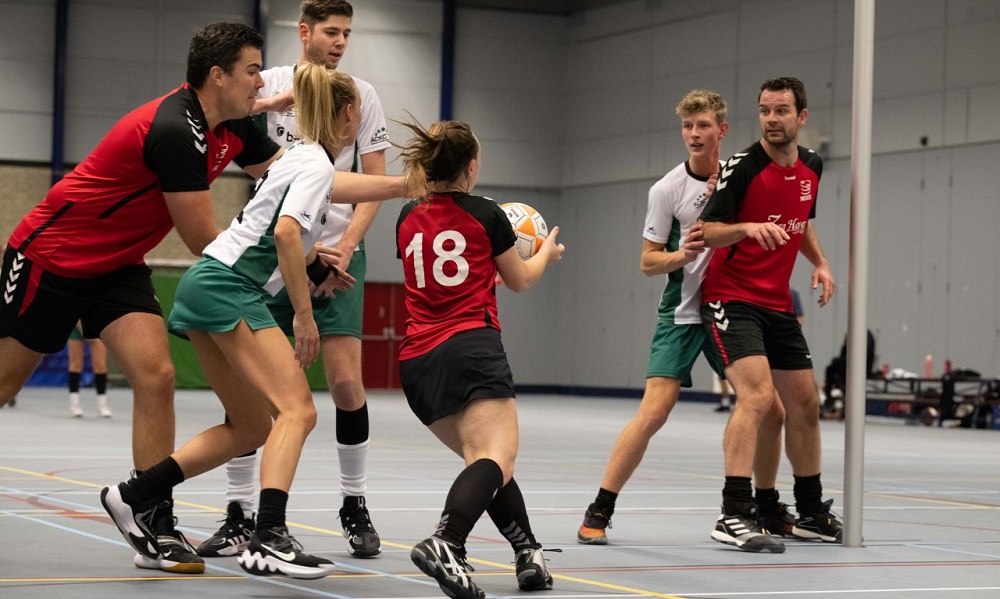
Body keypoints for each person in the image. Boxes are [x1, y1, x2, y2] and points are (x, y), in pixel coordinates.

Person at [0, 22, 286, 574]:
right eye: (252, 70)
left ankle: (154, 521)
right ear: (217, 75)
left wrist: (373, 193)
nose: (260, 81)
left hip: (118, 264)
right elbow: (205, 239)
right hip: (53, 257)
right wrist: (289, 264)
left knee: (156, 376)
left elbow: (289, 178)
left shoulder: (237, 127)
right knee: (6, 383)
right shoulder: (177, 129)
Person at [101, 64, 403, 580]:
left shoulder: (298, 158)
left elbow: (340, 188)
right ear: (350, 114)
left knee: (250, 426)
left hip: (207, 282)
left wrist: (405, 185)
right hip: (230, 289)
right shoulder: (313, 166)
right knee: (298, 412)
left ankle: (132, 495)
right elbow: (287, 233)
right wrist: (304, 317)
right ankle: (269, 536)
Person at [197, 0, 389, 560]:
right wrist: (281, 101)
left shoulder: (361, 94)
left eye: (348, 33)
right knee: (252, 387)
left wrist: (347, 247)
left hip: (340, 252)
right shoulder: (267, 87)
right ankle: (238, 511)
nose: (340, 42)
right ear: (304, 32)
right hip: (281, 254)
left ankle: (354, 504)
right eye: (331, 31)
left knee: (347, 382)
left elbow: (373, 179)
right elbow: (249, 150)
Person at [576, 90, 788, 548]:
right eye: (688, 126)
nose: (694, 134)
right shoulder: (667, 189)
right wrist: (682, 253)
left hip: (728, 307)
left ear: (722, 130)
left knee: (770, 408)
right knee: (654, 412)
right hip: (682, 312)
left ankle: (763, 507)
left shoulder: (741, 176)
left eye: (703, 126)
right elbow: (648, 263)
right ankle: (600, 507)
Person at [396, 119, 564, 598]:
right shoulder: (489, 215)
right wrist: (545, 251)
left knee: (485, 462)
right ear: (471, 167)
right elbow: (519, 280)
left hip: (417, 360)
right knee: (495, 455)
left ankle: (528, 553)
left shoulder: (407, 215)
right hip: (470, 346)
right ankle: (446, 542)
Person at [699, 76, 843, 550]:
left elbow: (799, 224)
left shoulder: (812, 167)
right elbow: (708, 232)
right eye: (764, 111)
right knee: (759, 400)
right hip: (731, 298)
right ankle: (733, 513)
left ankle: (811, 512)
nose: (771, 119)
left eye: (781, 111)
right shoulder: (742, 166)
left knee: (805, 403)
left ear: (801, 117)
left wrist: (820, 262)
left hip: (777, 303)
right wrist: (746, 227)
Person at [67, 322, 112, 418]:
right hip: (76, 326)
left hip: (95, 326)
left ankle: (102, 405)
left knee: (100, 364)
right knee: (75, 364)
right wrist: (83, 330)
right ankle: (75, 404)